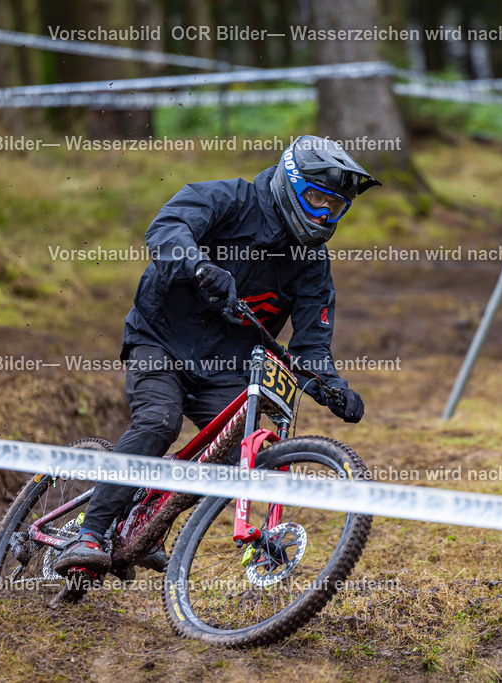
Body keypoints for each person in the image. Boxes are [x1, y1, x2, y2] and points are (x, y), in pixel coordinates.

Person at [53, 135, 381, 578]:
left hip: (227, 365)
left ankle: (148, 523)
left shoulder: (312, 263)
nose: (324, 215)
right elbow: (167, 229)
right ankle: (89, 533)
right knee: (158, 422)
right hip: (160, 339)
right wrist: (199, 266)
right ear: (290, 182)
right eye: (317, 200)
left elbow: (310, 347)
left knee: (226, 461)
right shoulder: (228, 198)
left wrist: (332, 386)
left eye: (335, 208)